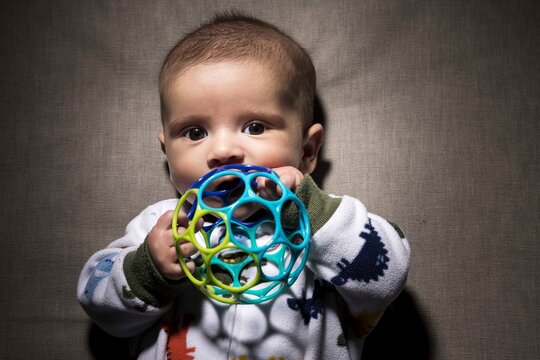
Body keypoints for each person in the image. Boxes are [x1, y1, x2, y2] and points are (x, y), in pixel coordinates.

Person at [77, 13, 410, 359]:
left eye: (254, 127)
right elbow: (96, 300)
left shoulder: (327, 224)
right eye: (194, 133)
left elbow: (387, 277)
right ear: (168, 153)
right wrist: (149, 269)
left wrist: (307, 208)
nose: (223, 151)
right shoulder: (161, 226)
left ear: (308, 151)